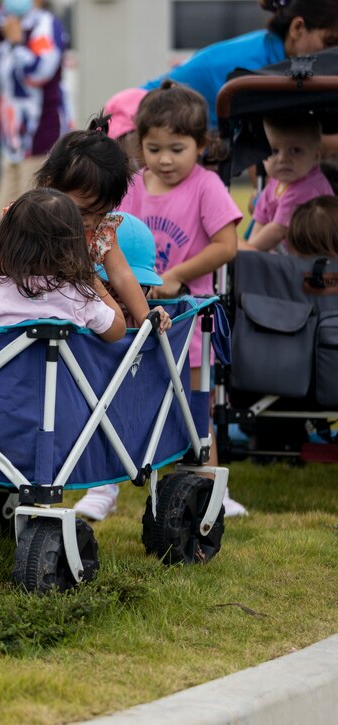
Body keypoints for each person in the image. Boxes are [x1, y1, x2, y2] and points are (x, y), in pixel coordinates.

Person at [117, 81, 246, 517]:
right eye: (154, 149)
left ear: (201, 145)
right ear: (139, 145)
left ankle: (213, 492)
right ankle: (106, 488)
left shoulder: (206, 186)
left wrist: (175, 276)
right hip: (137, 323)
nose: (165, 159)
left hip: (190, 323)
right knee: (124, 403)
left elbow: (226, 244)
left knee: (195, 410)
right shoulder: (132, 185)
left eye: (177, 148)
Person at [0, 118, 171, 335]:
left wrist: (146, 317)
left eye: (101, 213)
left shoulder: (101, 231)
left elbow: (122, 275)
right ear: (51, 185)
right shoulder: (26, 218)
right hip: (10, 311)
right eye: (82, 212)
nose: (90, 221)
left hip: (66, 321)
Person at [73, 212, 163, 521]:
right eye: (109, 289)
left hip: (134, 405)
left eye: (141, 289)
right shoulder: (84, 311)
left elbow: (153, 317)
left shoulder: (142, 315)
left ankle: (103, 488)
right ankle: (103, 489)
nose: (122, 300)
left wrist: (155, 315)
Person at [0, 188, 126, 342]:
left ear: (9, 244)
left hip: (3, 378)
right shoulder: (80, 295)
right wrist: (92, 280)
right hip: (63, 377)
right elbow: (118, 330)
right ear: (73, 248)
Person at [144, 0, 338, 129]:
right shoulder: (252, 67)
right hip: (141, 122)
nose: (333, 54)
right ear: (297, 28)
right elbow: (258, 148)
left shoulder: (275, 54)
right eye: (330, 43)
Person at [0, 0, 70, 205]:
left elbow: (40, 71)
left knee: (33, 212)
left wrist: (17, 43)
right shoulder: (10, 24)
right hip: (12, 142)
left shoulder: (44, 24)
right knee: (5, 215)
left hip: (40, 136)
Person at [242, 114, 333, 254]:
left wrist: (247, 251)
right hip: (289, 255)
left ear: (316, 156)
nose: (283, 159)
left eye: (295, 150)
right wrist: (251, 247)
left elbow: (278, 230)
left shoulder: (308, 187)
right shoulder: (276, 182)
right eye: (274, 151)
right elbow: (260, 218)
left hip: (316, 260)